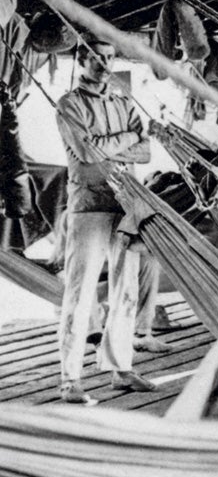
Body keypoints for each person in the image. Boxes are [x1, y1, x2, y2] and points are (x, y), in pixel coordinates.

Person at [55, 35, 161, 403]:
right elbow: (86, 153)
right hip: (88, 205)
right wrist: (130, 135)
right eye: (97, 57)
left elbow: (146, 152)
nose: (104, 64)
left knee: (126, 290)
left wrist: (118, 142)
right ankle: (70, 379)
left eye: (110, 57)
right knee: (81, 291)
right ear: (82, 60)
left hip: (125, 204)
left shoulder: (122, 102)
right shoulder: (69, 104)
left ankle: (121, 368)